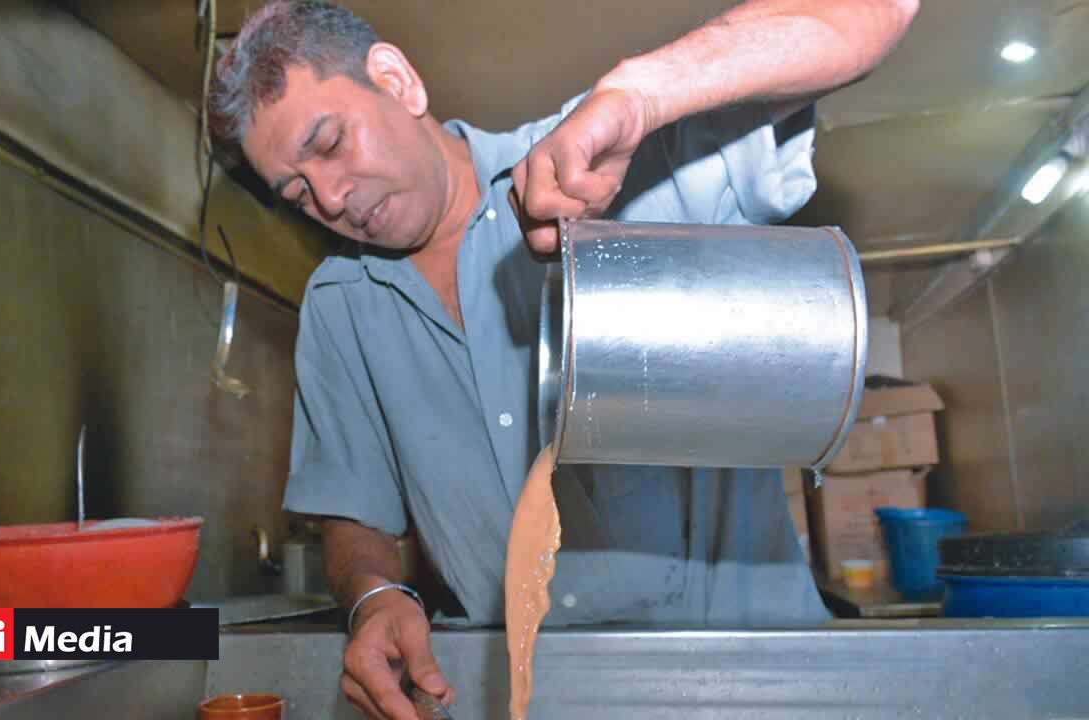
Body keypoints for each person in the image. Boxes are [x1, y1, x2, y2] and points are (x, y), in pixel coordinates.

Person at [210, 2, 917, 718]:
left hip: (748, 684)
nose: (329, 196)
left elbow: (875, 12)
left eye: (329, 144)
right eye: (296, 192)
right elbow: (351, 508)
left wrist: (640, 93)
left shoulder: (606, 164)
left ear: (396, 80)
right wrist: (372, 594)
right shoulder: (342, 307)